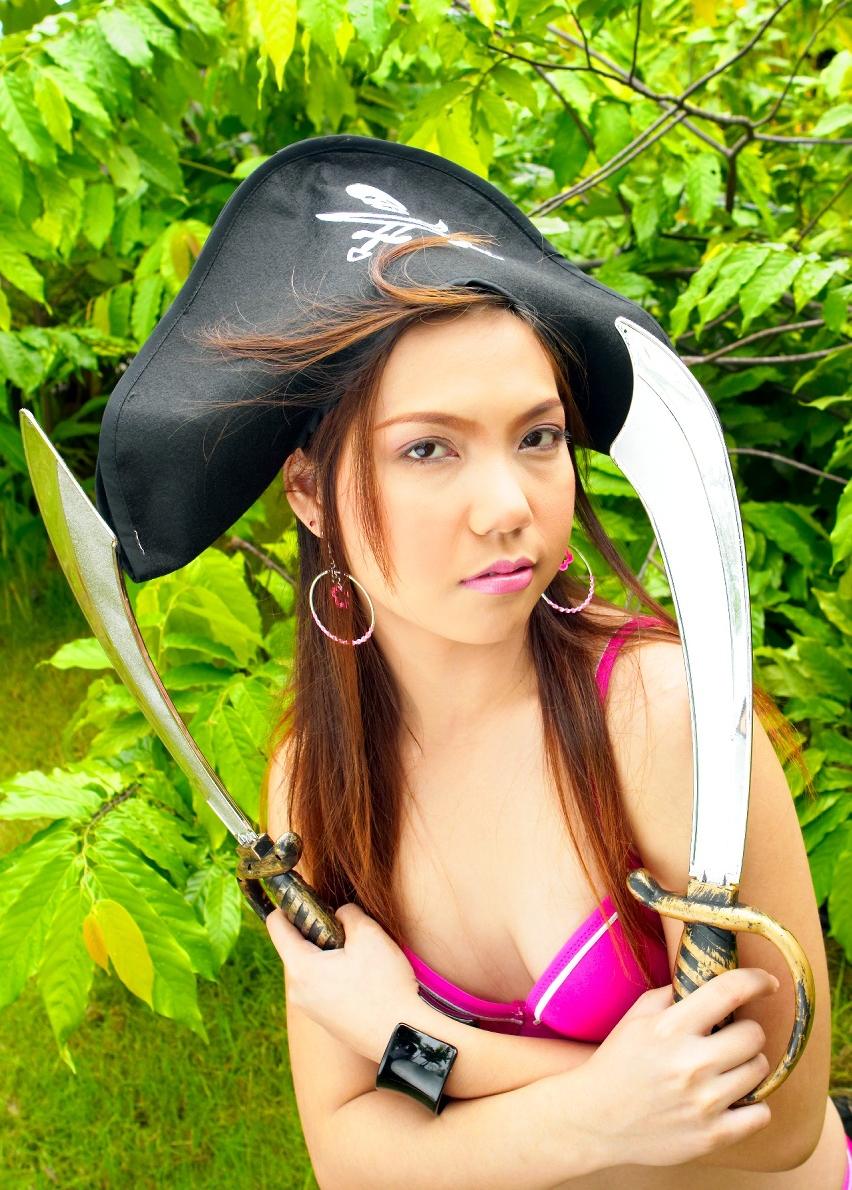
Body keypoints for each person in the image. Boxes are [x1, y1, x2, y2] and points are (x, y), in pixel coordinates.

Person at [92, 133, 849, 1189]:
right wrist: (604, 1110)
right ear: (307, 492)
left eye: (537, 437)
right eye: (428, 447)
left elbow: (776, 1125)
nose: (508, 506)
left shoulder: (660, 718)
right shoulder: (318, 775)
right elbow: (351, 1150)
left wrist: (415, 1038)